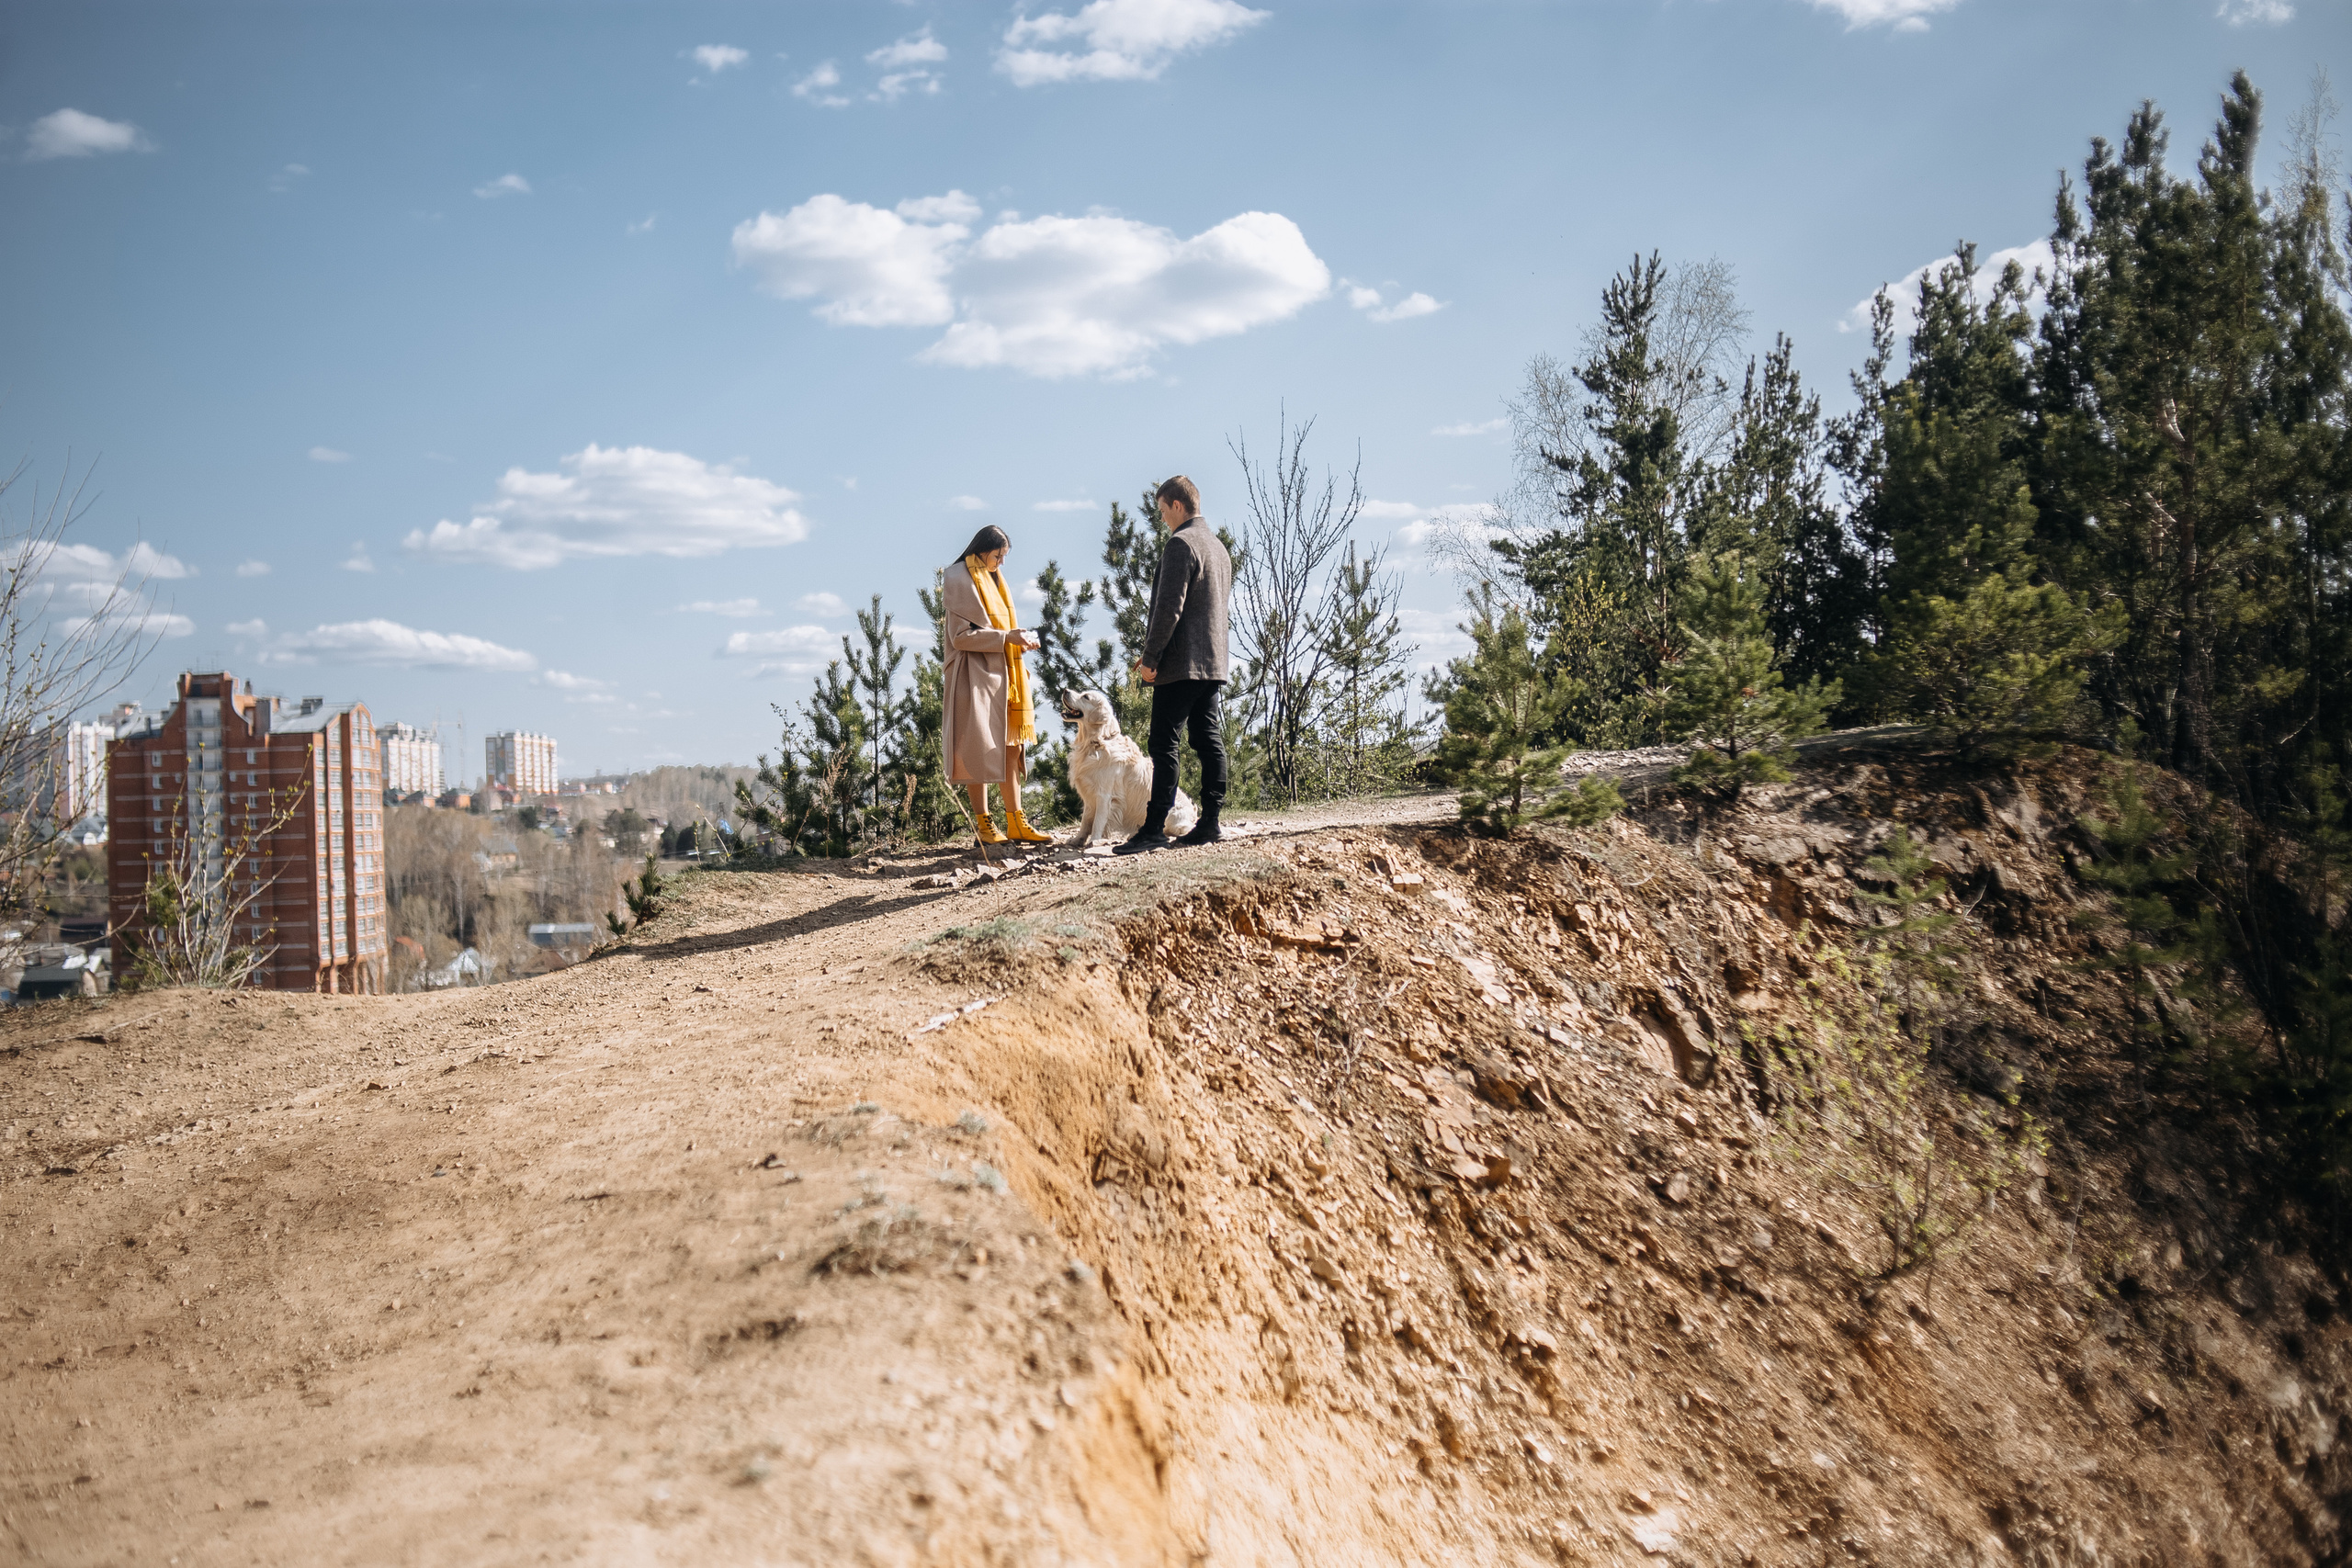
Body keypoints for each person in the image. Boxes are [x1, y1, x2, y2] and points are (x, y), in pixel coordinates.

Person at [1115, 475, 1231, 855]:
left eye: (1163, 510)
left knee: (1163, 744)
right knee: (1207, 740)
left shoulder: (1180, 544)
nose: (1163, 518)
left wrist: (1151, 659)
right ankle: (1210, 822)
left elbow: (1169, 609)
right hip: (1212, 663)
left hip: (1181, 664)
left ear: (1178, 506)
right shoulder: (1217, 548)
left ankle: (1152, 829)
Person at [942, 525, 1052, 845]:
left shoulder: (994, 578)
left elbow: (1000, 628)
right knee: (979, 750)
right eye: (998, 555)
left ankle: (1016, 821)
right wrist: (1007, 638)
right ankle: (984, 825)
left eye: (1004, 557)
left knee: (1011, 747)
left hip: (1005, 675)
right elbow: (959, 638)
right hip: (974, 677)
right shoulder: (959, 579)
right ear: (981, 550)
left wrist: (1019, 639)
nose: (1002, 562)